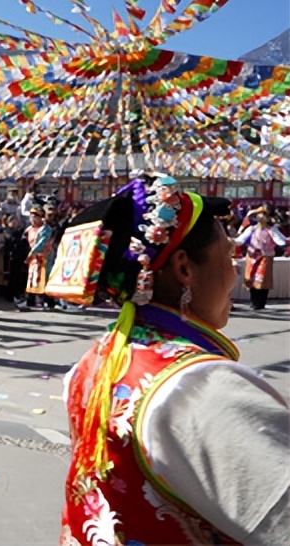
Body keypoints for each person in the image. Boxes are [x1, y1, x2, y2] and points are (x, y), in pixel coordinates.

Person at [50, 175, 288, 545]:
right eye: (228, 256)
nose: (236, 271)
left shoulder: (96, 360)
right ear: (184, 269)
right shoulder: (202, 388)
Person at [235, 206, 287, 310]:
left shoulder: (272, 230)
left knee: (262, 280)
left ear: (267, 217)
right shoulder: (251, 229)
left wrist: (283, 242)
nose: (260, 216)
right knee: (251, 279)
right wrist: (231, 241)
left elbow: (280, 240)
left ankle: (260, 303)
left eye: (263, 214)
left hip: (265, 257)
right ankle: (254, 301)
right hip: (252, 256)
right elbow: (240, 240)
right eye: (259, 214)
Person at [24, 206, 54, 307]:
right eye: (31, 217)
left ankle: (49, 301)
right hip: (34, 259)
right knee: (32, 278)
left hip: (44, 258)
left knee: (44, 279)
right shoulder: (29, 229)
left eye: (35, 216)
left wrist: (32, 252)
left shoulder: (46, 229)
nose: (32, 219)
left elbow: (42, 243)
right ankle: (30, 301)